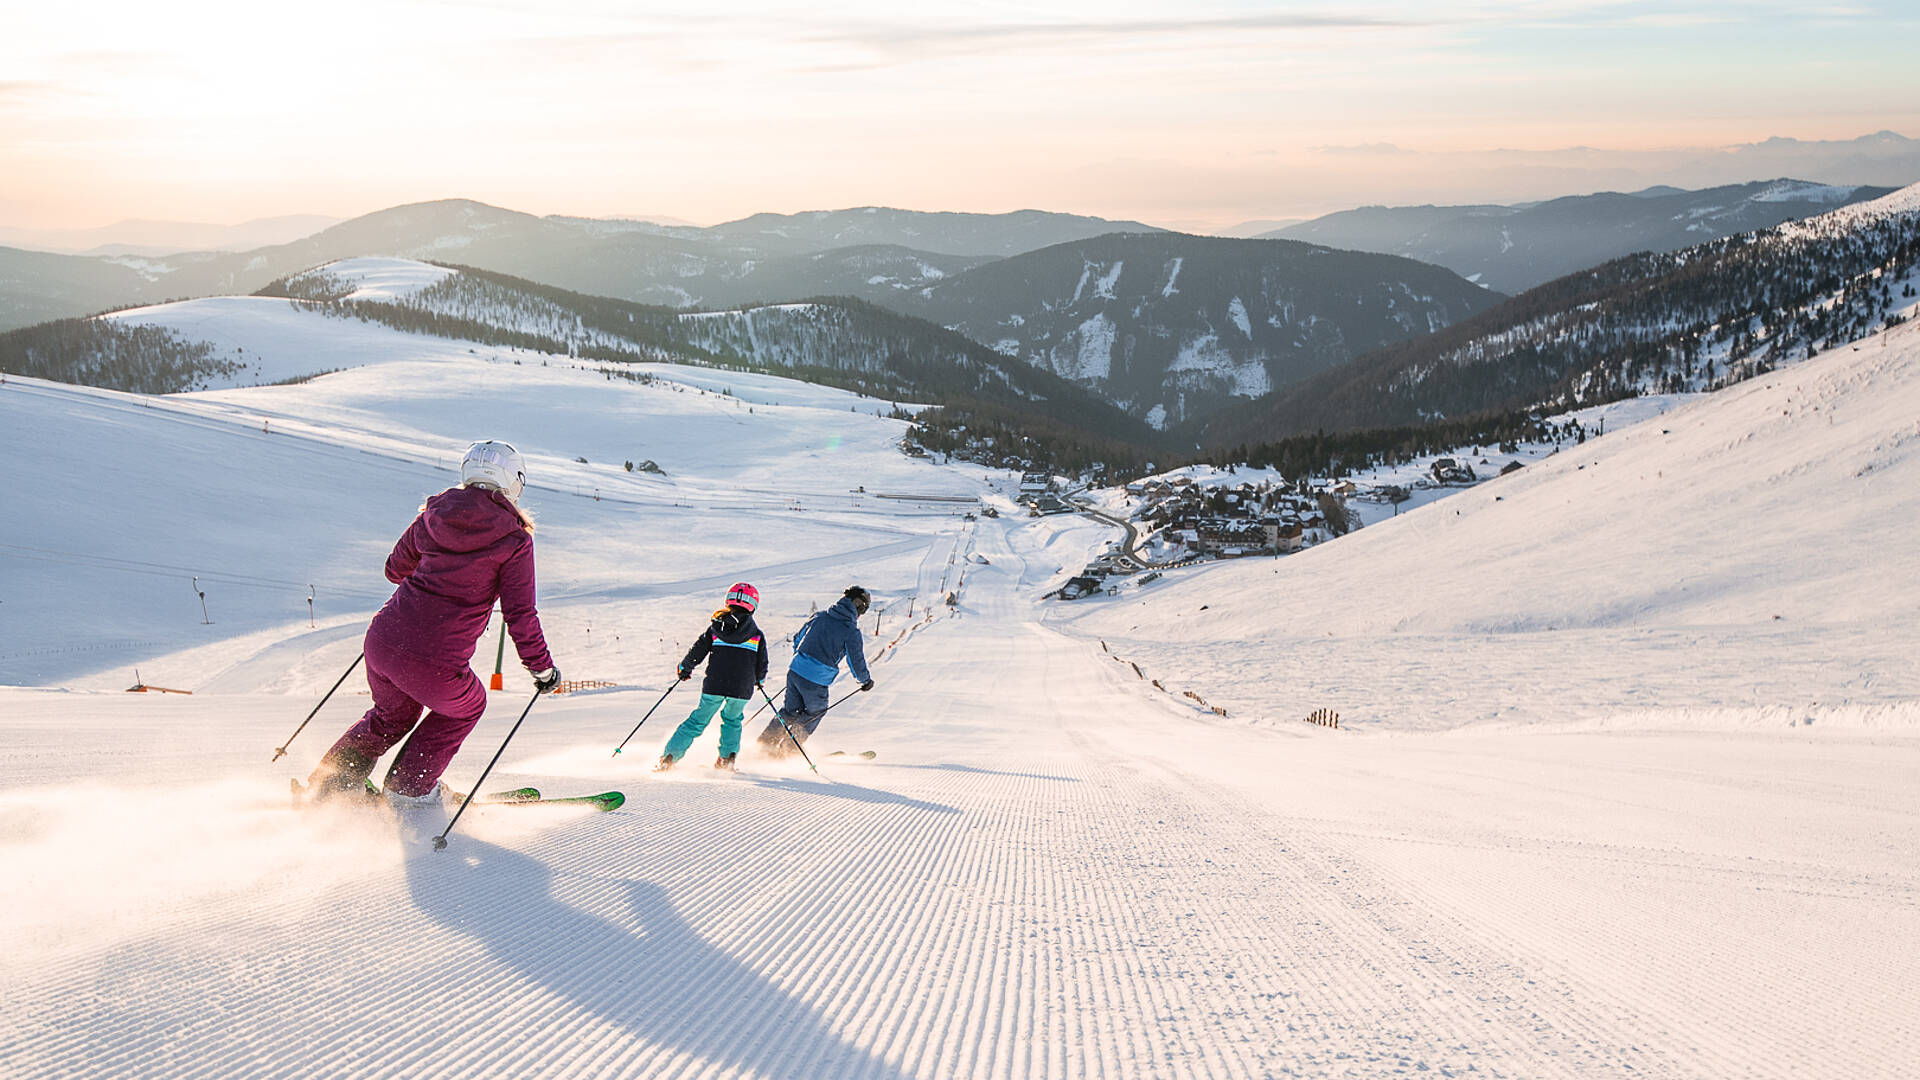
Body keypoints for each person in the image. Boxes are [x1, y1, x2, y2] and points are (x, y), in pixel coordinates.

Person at [306, 440, 560, 804]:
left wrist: (437, 564)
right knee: (469, 704)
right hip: (435, 661)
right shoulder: (514, 539)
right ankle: (408, 789)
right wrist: (542, 669)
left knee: (392, 716)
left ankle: (327, 786)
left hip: (383, 641)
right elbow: (519, 615)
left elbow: (394, 570)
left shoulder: (433, 513)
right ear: (513, 483)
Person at [655, 583, 769, 773]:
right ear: (753, 604)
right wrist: (760, 680)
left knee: (697, 721)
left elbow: (698, 650)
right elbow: (762, 662)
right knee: (732, 721)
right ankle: (727, 760)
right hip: (741, 689)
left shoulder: (715, 629)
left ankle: (669, 758)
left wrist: (685, 668)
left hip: (715, 685)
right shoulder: (756, 635)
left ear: (728, 600)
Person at [756, 585, 873, 758]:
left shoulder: (820, 617)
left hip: (796, 670)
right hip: (816, 679)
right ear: (858, 606)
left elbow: (798, 638)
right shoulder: (851, 631)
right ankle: (788, 749)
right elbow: (855, 660)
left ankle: (765, 744)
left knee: (790, 710)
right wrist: (865, 680)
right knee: (815, 711)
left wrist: (802, 659)